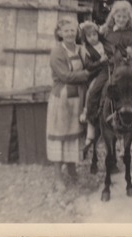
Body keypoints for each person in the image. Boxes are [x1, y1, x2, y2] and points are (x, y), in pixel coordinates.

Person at [46, 17, 90, 191]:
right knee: (60, 136)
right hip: (62, 99)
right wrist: (87, 74)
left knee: (74, 135)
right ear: (59, 33)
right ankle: (58, 177)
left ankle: (72, 170)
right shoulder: (57, 52)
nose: (70, 33)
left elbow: (92, 65)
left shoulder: (81, 49)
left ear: (77, 32)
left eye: (72, 30)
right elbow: (65, 76)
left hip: (78, 99)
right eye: (66, 31)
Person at [100, 0, 132, 144]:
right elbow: (95, 44)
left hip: (126, 68)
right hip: (109, 66)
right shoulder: (105, 31)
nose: (121, 20)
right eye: (118, 16)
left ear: (129, 18)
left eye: (124, 17)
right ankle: (95, 118)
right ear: (113, 16)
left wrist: (130, 52)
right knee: (97, 88)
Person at [78, 21, 109, 147]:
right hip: (98, 72)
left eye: (94, 34)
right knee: (93, 90)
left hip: (109, 69)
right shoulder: (87, 50)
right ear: (85, 38)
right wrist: (101, 61)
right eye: (89, 36)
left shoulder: (104, 44)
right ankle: (88, 114)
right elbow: (88, 66)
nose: (92, 38)